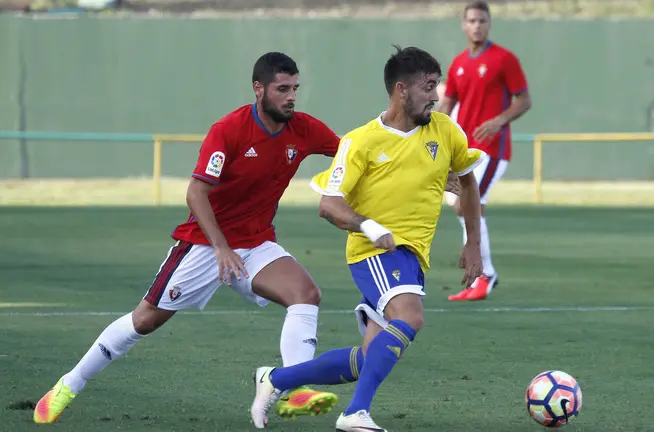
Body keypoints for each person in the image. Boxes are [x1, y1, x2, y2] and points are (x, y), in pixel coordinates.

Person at [33, 52, 342, 424]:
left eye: (295, 88)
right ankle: (69, 384)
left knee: (306, 295)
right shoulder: (228, 130)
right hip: (203, 245)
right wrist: (221, 248)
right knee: (144, 320)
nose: (291, 97)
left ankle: (295, 386)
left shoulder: (303, 128)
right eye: (282, 89)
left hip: (257, 243)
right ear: (258, 89)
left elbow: (351, 152)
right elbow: (196, 193)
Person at [249, 46, 484, 432]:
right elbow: (330, 205)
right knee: (410, 316)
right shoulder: (361, 141)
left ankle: (275, 380)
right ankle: (355, 413)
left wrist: (472, 241)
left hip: (412, 255)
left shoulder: (445, 130)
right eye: (428, 87)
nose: (436, 96)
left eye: (436, 86)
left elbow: (468, 179)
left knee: (365, 358)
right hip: (375, 251)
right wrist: (371, 228)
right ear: (401, 90)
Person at [438, 0, 532, 301]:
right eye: (472, 21)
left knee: (465, 205)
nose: (477, 26)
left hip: (492, 148)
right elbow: (447, 103)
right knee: (468, 207)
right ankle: (481, 276)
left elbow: (524, 100)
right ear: (464, 25)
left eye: (482, 20)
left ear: (488, 23)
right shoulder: (458, 64)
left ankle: (485, 275)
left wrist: (499, 120)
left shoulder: (504, 59)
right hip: (465, 148)